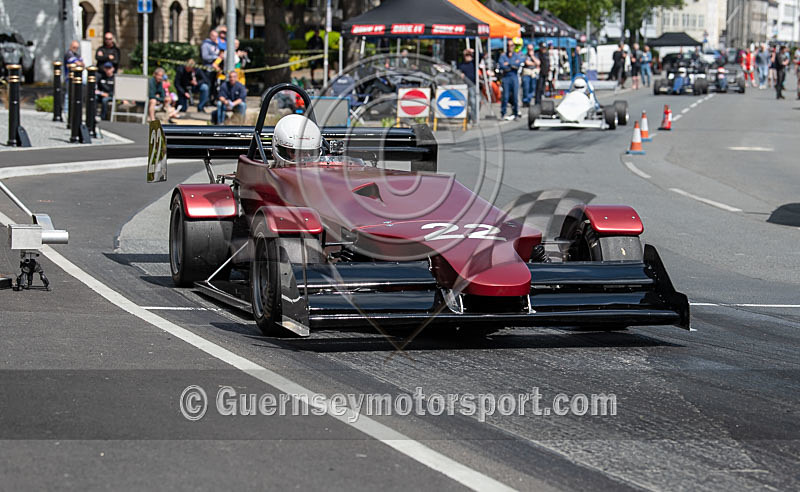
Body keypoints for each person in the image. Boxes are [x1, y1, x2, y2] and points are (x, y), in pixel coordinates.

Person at [498, 39, 523, 120]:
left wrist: (508, 63)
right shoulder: (503, 56)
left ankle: (516, 113)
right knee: (505, 96)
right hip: (506, 77)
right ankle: (503, 113)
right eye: (508, 45)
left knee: (515, 97)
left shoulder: (516, 55)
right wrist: (511, 64)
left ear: (514, 46)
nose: (510, 47)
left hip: (514, 76)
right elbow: (502, 65)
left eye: (511, 45)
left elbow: (518, 64)